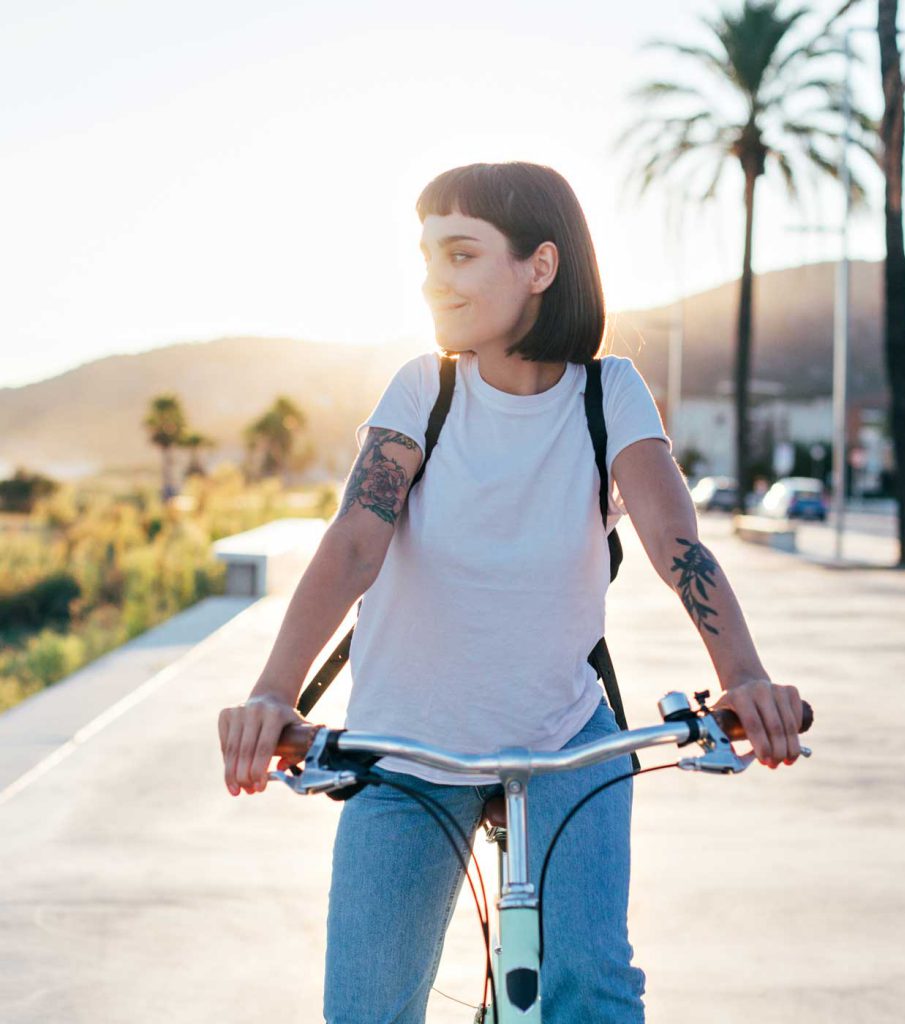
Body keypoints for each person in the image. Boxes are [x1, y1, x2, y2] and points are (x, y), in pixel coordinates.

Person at [217, 161, 804, 1024]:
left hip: (561, 734)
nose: (435, 279)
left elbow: (675, 538)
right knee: (367, 1010)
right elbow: (353, 542)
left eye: (461, 253)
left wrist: (745, 676)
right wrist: (273, 691)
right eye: (428, 257)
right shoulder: (427, 388)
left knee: (594, 993)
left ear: (541, 266)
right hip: (408, 749)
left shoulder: (610, 394)